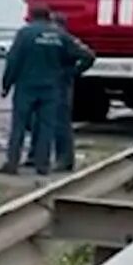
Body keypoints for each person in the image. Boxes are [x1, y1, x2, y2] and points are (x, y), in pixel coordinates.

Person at [0, 5, 73, 176]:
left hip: (26, 87)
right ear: (48, 17)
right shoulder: (59, 35)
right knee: (46, 127)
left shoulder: (25, 34)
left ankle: (12, 163)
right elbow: (86, 56)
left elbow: (13, 60)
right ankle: (42, 165)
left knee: (19, 126)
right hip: (51, 88)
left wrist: (6, 85)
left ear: (31, 16)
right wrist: (68, 73)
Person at [36, 10, 95, 172]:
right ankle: (47, 156)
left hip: (62, 85)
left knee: (61, 123)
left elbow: (89, 56)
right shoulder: (56, 39)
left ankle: (65, 159)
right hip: (52, 84)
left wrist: (72, 72)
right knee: (50, 122)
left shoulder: (66, 40)